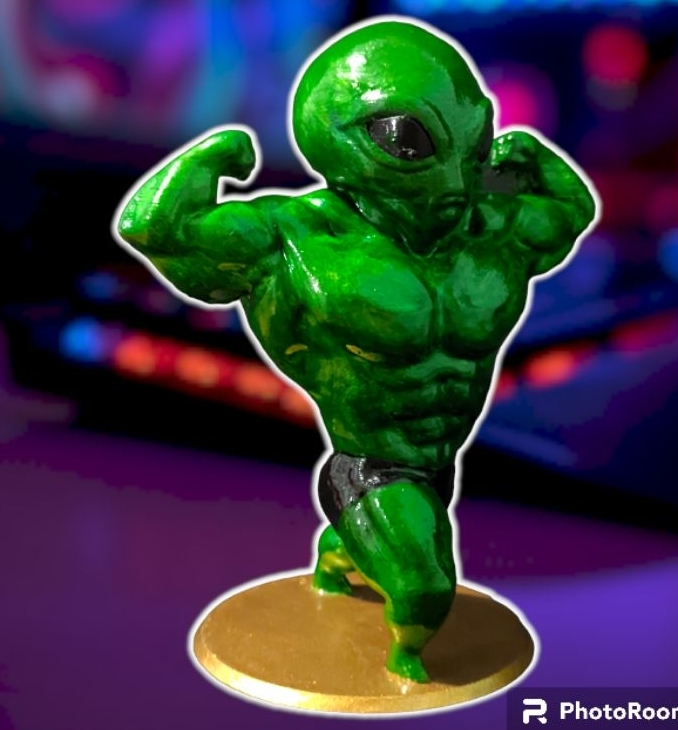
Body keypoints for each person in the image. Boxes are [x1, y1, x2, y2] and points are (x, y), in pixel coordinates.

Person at [114, 18, 598, 682]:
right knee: (424, 585)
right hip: (370, 461)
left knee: (410, 527)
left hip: (440, 458)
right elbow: (156, 228)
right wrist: (214, 155)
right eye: (409, 138)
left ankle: (342, 550)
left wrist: (533, 160)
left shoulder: (490, 227)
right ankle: (407, 664)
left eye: (474, 140)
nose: (455, 175)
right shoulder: (297, 236)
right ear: (338, 136)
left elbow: (570, 214)